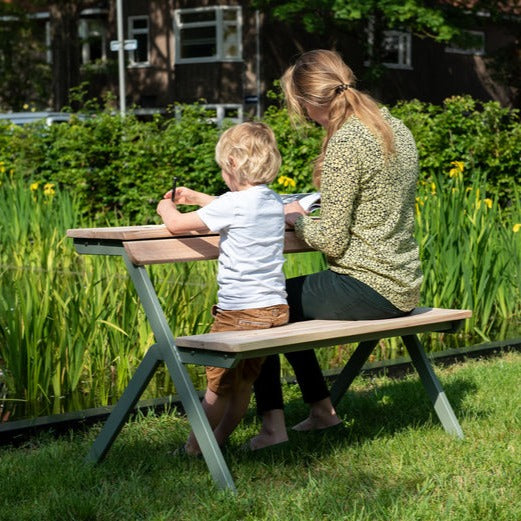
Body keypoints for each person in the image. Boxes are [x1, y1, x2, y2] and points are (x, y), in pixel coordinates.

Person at [250, 49, 423, 450]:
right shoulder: (392, 126)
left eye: (299, 106)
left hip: (368, 284)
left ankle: (273, 428)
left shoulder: (347, 141)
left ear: (310, 102)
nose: (304, 115)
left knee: (261, 305)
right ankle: (321, 411)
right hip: (402, 282)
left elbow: (331, 240)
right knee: (287, 302)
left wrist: (295, 216)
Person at [157, 121, 289, 456]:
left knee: (216, 388)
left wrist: (167, 207)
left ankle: (193, 448)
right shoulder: (271, 200)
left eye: (221, 168)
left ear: (232, 164)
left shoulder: (232, 205)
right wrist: (198, 198)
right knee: (242, 384)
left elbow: (175, 226)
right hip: (274, 311)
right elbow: (237, 204)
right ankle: (215, 441)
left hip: (239, 314)